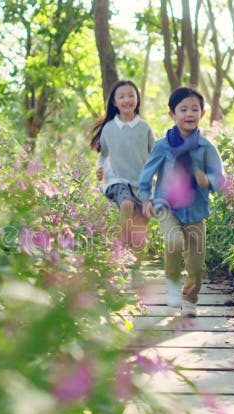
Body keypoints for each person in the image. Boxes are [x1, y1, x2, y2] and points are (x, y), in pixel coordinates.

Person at [138, 87, 226, 317]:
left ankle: (190, 299)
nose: (189, 113)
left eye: (194, 109)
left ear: (202, 114)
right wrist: (146, 198)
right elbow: (147, 173)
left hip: (196, 210)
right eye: (183, 109)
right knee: (174, 241)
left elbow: (220, 176)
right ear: (172, 114)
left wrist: (207, 179)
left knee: (196, 265)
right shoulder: (162, 145)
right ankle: (173, 284)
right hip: (167, 206)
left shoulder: (206, 147)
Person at [89, 80, 155, 284]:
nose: (127, 99)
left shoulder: (144, 128)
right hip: (116, 180)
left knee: (140, 231)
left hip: (141, 184)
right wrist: (99, 169)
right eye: (122, 96)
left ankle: (135, 270)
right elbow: (103, 155)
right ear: (115, 103)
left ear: (137, 99)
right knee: (125, 204)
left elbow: (155, 156)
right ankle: (119, 248)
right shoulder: (109, 128)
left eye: (131, 95)